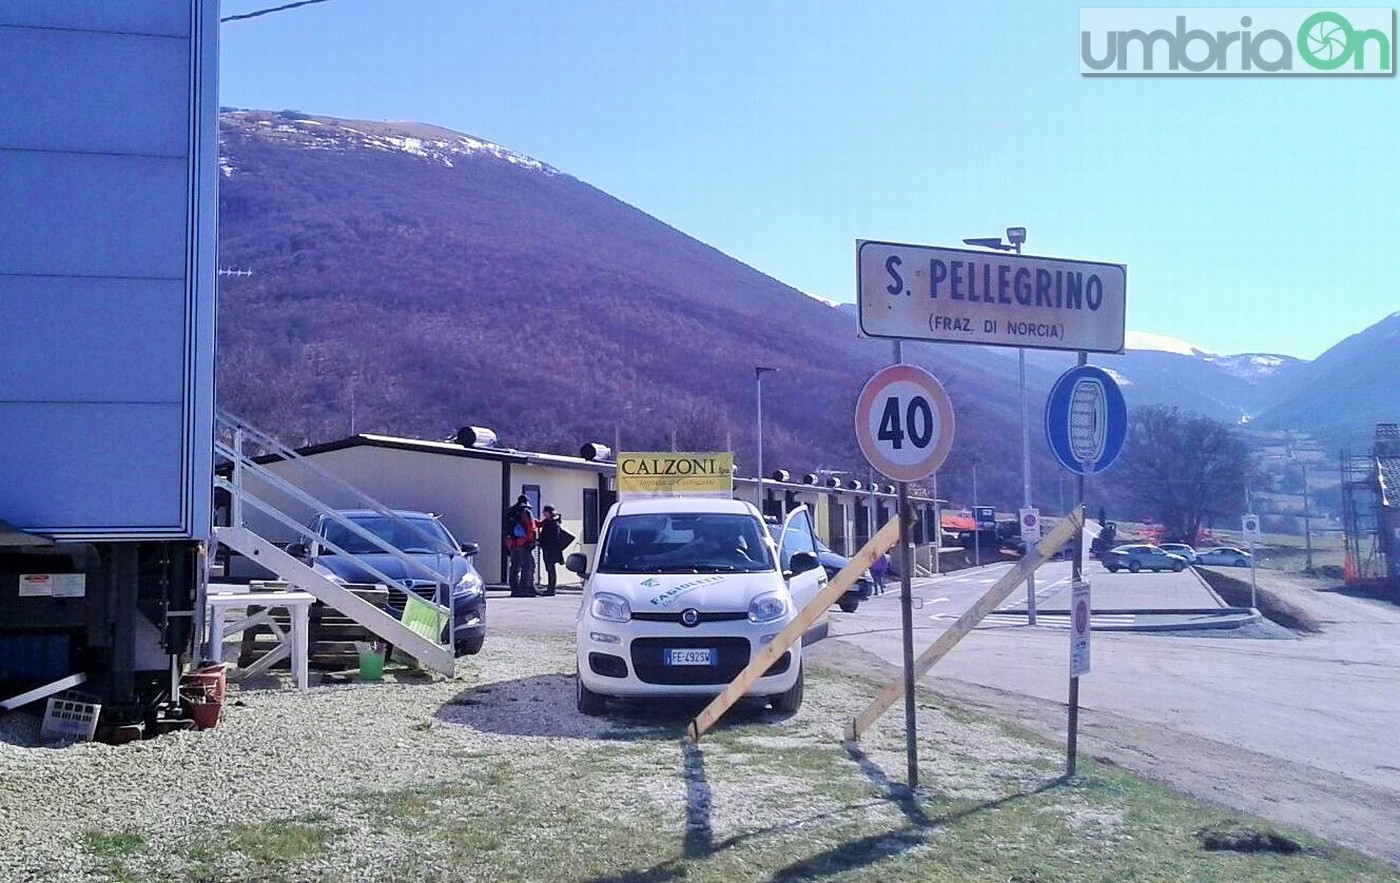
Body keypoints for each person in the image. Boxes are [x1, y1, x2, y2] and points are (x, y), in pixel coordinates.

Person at [536, 505, 575, 596]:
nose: (543, 513)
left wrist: (543, 542)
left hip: (551, 550)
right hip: (549, 549)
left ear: (549, 512)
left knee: (551, 570)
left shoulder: (553, 524)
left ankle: (551, 590)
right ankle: (550, 589)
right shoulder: (549, 522)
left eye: (544, 512)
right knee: (550, 569)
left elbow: (552, 538)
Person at [503, 494, 537, 597]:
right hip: (524, 543)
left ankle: (514, 590)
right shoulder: (526, 511)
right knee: (528, 566)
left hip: (512, 544)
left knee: (514, 567)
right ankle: (525, 589)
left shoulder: (510, 511)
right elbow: (531, 527)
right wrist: (531, 542)